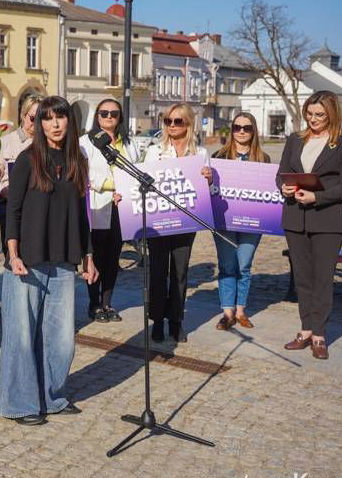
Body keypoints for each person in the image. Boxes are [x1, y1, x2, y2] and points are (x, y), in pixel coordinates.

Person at [0, 95, 98, 426]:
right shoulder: (28, 159)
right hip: (27, 258)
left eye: (60, 117)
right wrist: (12, 254)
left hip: (64, 259)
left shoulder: (77, 161)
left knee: (61, 338)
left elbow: (82, 215)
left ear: (70, 121)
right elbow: (12, 210)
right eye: (47, 119)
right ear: (39, 124)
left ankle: (52, 397)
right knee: (22, 336)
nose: (55, 124)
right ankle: (20, 403)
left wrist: (88, 256)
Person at [278, 90, 342, 360]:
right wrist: (285, 187)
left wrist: (317, 196)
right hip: (294, 219)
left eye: (320, 115)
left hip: (326, 219)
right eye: (310, 114)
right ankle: (305, 330)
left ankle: (320, 334)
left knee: (323, 279)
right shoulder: (294, 139)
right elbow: (280, 175)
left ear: (332, 114)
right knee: (303, 278)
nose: (313, 119)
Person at [144, 103, 213, 343]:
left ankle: (176, 321)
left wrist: (209, 179)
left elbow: (209, 190)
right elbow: (142, 183)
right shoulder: (155, 151)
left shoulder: (201, 153)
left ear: (188, 124)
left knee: (180, 272)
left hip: (186, 219)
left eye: (178, 121)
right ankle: (157, 321)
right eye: (168, 121)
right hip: (159, 218)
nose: (172, 125)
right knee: (158, 271)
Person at [79, 96, 140, 323]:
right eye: (104, 113)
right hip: (98, 203)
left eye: (113, 114)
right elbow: (84, 174)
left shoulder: (129, 143)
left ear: (120, 117)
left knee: (113, 258)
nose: (109, 117)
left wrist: (126, 188)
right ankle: (94, 304)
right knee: (96, 256)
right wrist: (112, 185)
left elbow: (136, 168)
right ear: (97, 116)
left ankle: (107, 303)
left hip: (122, 206)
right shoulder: (86, 142)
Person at [211, 112, 270, 331]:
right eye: (237, 127)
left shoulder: (263, 158)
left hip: (252, 220)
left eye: (247, 127)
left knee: (244, 265)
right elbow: (210, 188)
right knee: (227, 265)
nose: (242, 131)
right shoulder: (219, 155)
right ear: (232, 130)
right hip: (224, 220)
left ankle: (241, 310)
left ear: (253, 130)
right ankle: (227, 313)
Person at [0, 95, 41, 256]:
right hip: (12, 209)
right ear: (23, 116)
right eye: (33, 118)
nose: (37, 123)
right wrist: (2, 190)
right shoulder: (6, 141)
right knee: (13, 258)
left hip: (38, 209)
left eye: (42, 118)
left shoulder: (47, 144)